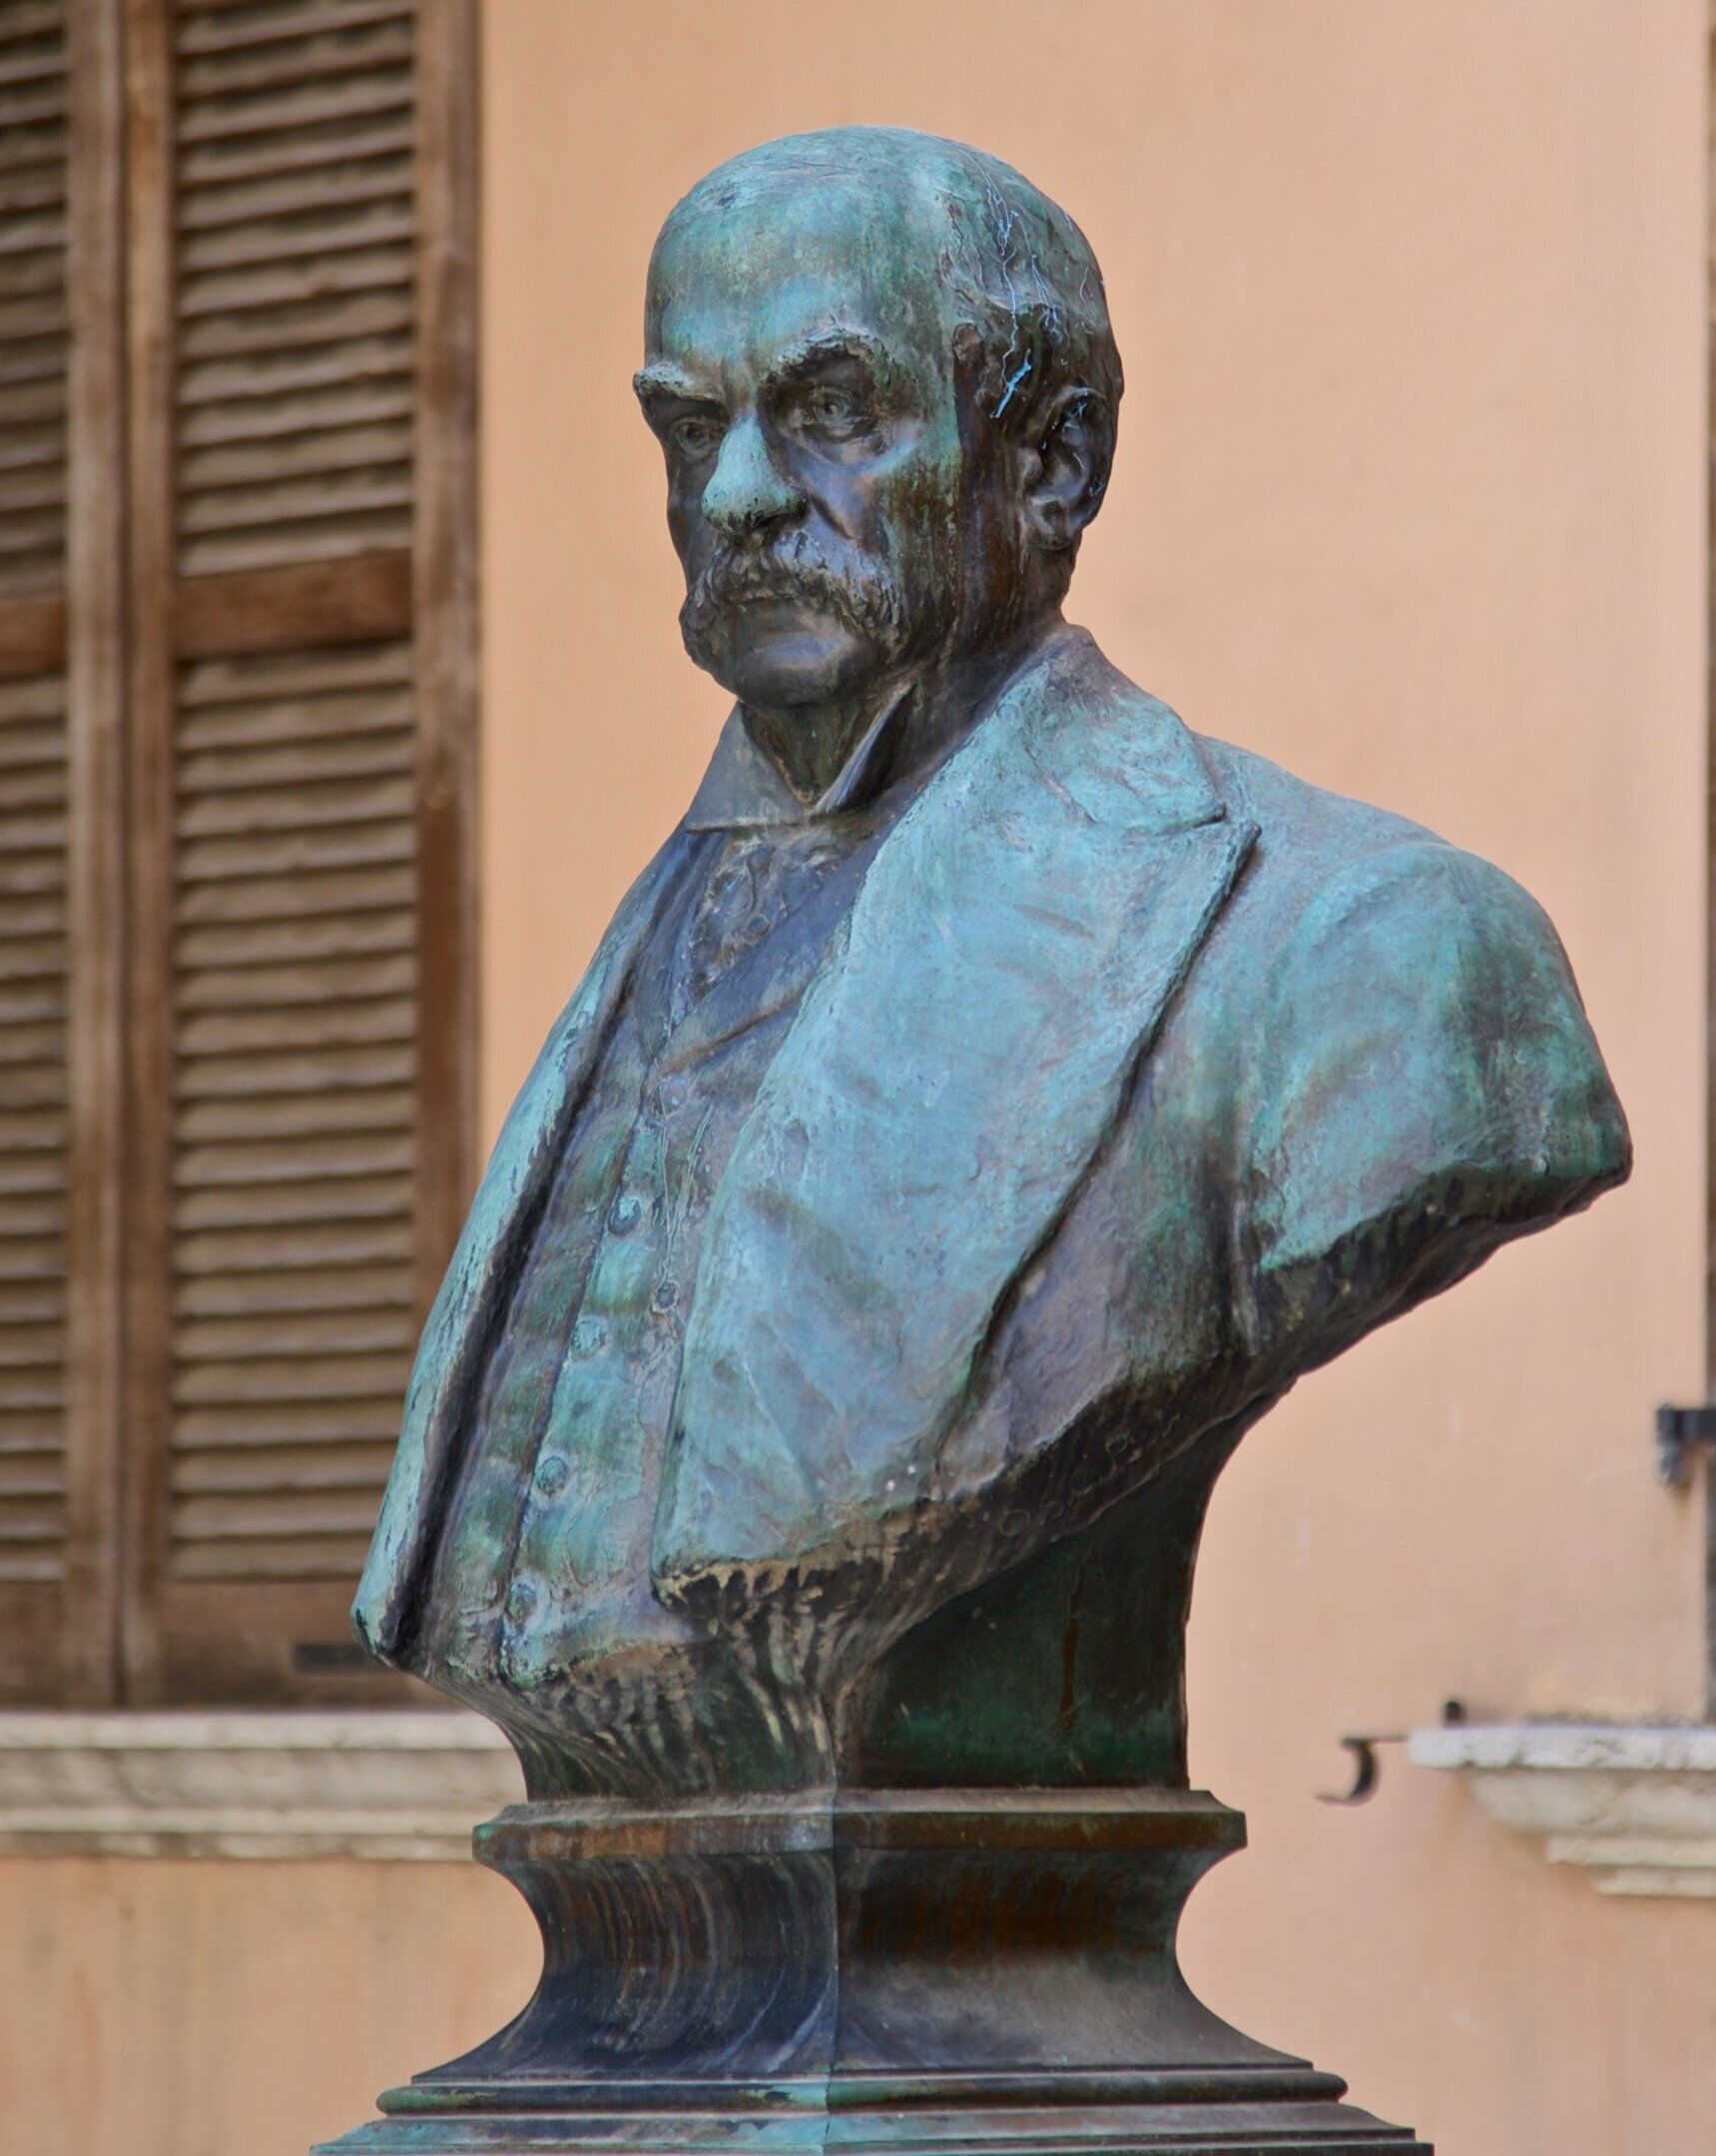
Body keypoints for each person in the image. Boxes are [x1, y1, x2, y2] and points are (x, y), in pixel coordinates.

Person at [352, 127, 1627, 1798]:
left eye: (826, 412)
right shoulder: (657, 936)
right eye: (688, 424)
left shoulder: (1371, 958)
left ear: (1053, 462)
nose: (733, 497)